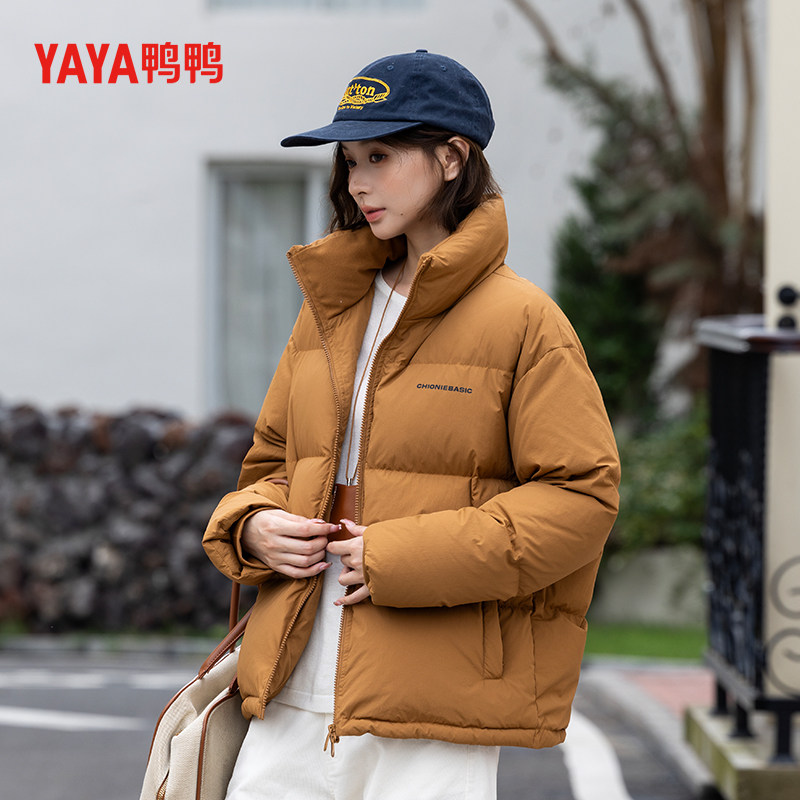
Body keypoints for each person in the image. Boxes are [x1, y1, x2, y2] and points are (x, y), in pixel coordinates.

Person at [203, 49, 620, 800]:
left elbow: (580, 500)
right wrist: (252, 527)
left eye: (381, 156)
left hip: (435, 704)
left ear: (452, 157)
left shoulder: (525, 321)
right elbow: (272, 464)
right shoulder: (329, 309)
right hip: (292, 680)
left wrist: (403, 557)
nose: (356, 182)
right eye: (350, 160)